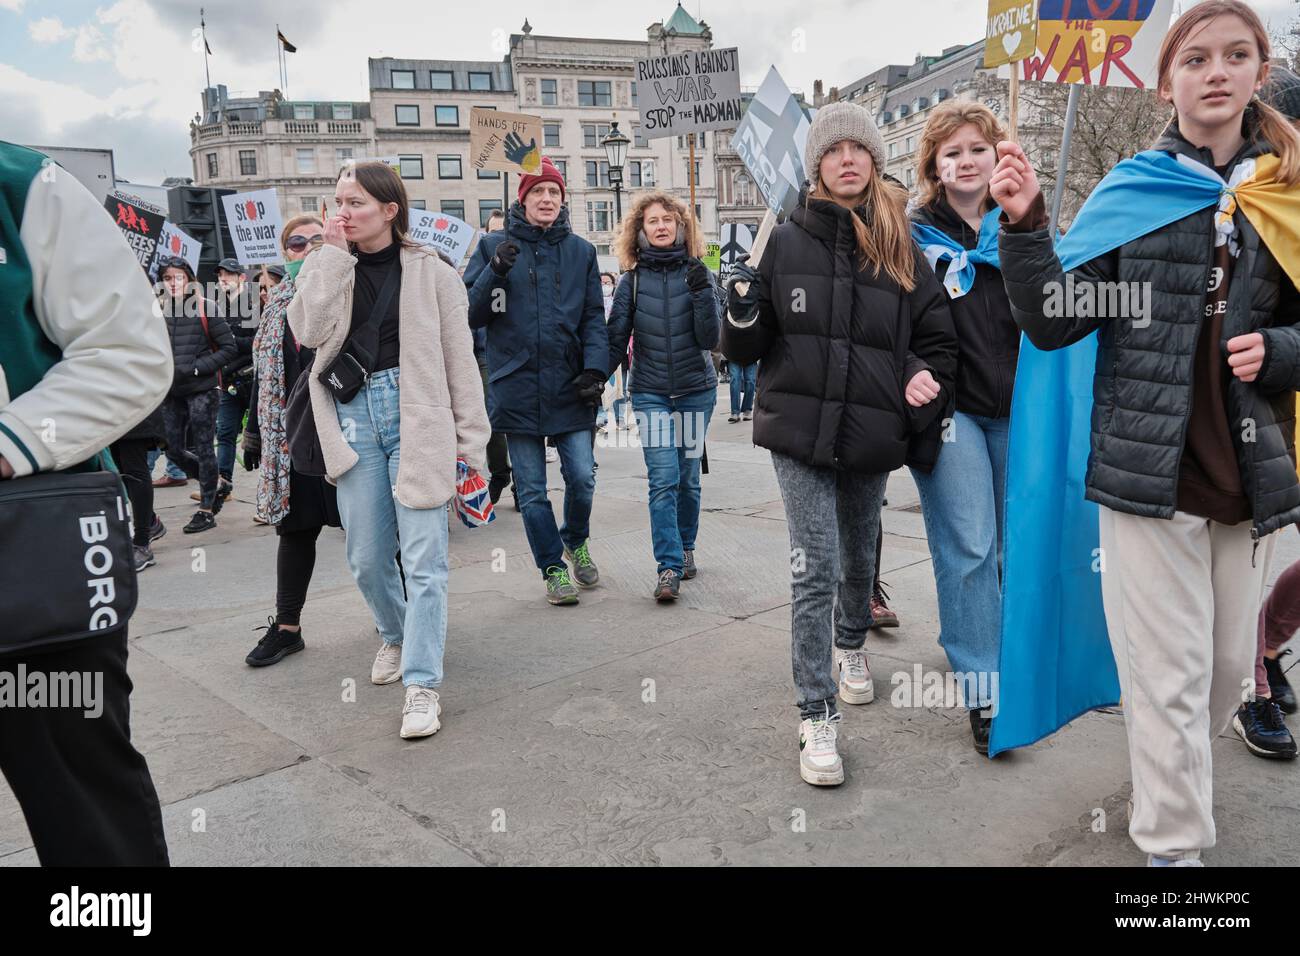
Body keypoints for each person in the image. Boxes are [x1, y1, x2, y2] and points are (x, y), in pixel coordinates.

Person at [991, 0, 1300, 863]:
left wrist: (1277, 351)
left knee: (1223, 675)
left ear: (1258, 72)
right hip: (1147, 474)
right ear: (1167, 82)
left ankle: (1172, 786)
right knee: (1166, 678)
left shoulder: (1288, 190)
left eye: (1235, 55)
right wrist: (1024, 225)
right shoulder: (1134, 187)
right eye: (1196, 58)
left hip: (1251, 476)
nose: (1216, 71)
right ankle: (1174, 851)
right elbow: (1057, 318)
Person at [724, 102, 957, 786]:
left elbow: (933, 338)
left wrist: (916, 376)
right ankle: (816, 712)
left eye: (858, 149)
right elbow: (748, 345)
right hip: (798, 430)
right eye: (833, 150)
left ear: (874, 161)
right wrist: (739, 309)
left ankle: (851, 642)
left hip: (870, 429)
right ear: (817, 165)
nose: (847, 158)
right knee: (812, 566)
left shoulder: (900, 243)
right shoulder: (783, 240)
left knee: (859, 558)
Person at [0, 140, 171, 865]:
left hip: (28, 558)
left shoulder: (25, 185)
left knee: (83, 807)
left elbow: (128, 352)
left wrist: (10, 443)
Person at [289, 161, 489, 739]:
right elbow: (306, 330)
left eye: (355, 203)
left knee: (426, 560)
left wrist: (472, 446)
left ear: (390, 210)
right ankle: (396, 635)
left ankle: (422, 683)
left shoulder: (433, 272)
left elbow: (461, 363)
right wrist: (327, 258)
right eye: (337, 202)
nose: (342, 214)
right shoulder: (327, 264)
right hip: (351, 419)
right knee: (368, 558)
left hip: (418, 417)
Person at [906, 99, 1019, 754]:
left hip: (1018, 407)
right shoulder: (913, 234)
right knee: (971, 544)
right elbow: (889, 320)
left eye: (977, 147)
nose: (967, 160)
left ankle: (1000, 656)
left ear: (995, 152)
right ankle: (985, 689)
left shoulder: (1023, 222)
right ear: (935, 167)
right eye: (953, 153)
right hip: (952, 414)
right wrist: (910, 369)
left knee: (1007, 549)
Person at [464, 157, 609, 606]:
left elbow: (593, 318)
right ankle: (552, 568)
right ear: (522, 198)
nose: (546, 199)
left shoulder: (582, 252)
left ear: (562, 201)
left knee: (582, 477)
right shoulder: (493, 247)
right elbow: (472, 313)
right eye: (537, 192)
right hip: (516, 385)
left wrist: (596, 369)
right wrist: (497, 271)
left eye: (554, 192)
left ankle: (575, 537)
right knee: (530, 490)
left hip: (570, 385)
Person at [607, 192, 720, 601]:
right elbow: (615, 340)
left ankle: (687, 547)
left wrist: (703, 293)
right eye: (652, 220)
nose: (660, 226)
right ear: (640, 229)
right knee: (663, 479)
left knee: (688, 479)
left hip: (695, 391)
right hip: (652, 392)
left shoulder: (699, 273)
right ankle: (668, 567)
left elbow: (712, 339)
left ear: (680, 227)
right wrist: (590, 380)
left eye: (667, 220)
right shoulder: (631, 280)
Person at [240, 216, 343, 667]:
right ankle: (286, 627)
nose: (306, 248)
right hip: (294, 443)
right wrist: (255, 435)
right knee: (296, 531)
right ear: (286, 254)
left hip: (345, 435)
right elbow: (264, 377)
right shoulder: (274, 308)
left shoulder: (349, 291)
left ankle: (394, 619)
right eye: (296, 243)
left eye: (317, 240)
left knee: (374, 535)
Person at [156, 256, 236, 534]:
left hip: (203, 389)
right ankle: (217, 482)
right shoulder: (158, 312)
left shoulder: (206, 308)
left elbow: (228, 348)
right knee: (173, 447)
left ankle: (206, 509)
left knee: (204, 447)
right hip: (172, 391)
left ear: (189, 279)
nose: (174, 282)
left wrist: (197, 369)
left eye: (178, 277)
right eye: (168, 278)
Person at [209, 257, 260, 504]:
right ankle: (223, 484)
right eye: (220, 276)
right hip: (228, 382)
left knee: (263, 437)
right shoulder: (217, 308)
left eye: (228, 274)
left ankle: (271, 490)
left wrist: (229, 341)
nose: (223, 279)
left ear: (241, 277)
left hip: (251, 381)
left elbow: (259, 344)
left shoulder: (254, 305)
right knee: (225, 433)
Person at [473, 208, 514, 507]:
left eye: (504, 230)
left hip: (518, 349)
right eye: (493, 232)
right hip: (486, 350)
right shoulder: (486, 255)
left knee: (520, 422)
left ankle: (522, 486)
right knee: (493, 416)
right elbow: (471, 304)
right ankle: (500, 472)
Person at [726, 358, 756, 423]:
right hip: (734, 354)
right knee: (734, 379)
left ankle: (747, 409)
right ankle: (735, 412)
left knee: (750, 381)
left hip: (751, 354)